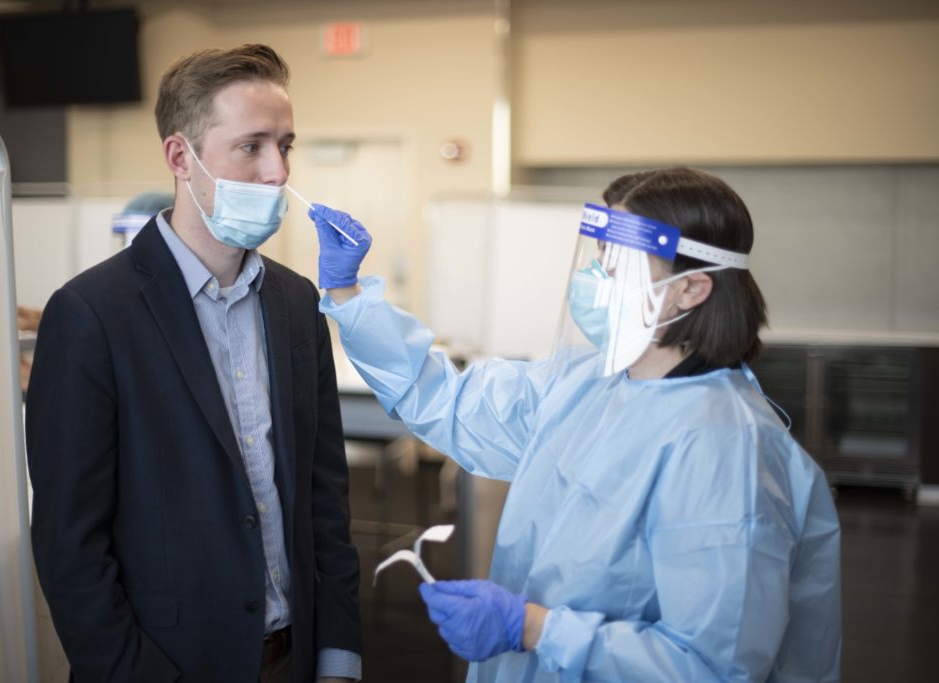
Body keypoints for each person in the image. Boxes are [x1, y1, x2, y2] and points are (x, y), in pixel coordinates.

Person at [306, 167, 841, 682]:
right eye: (600, 258)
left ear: (691, 289)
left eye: (619, 264)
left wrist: (535, 628)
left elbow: (711, 666)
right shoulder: (585, 383)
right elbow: (446, 398)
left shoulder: (727, 447)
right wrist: (349, 296)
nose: (598, 278)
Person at [26, 44, 361, 683]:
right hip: (166, 664)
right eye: (252, 146)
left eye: (285, 146)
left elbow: (326, 502)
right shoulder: (91, 314)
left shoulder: (295, 304)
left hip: (293, 658)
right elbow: (69, 544)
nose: (276, 172)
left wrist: (338, 657)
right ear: (182, 158)